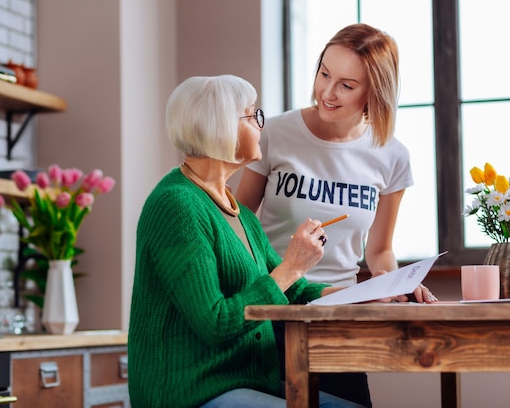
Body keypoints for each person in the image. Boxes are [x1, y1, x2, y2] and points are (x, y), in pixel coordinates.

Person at [128, 75, 367, 408]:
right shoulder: (176, 206)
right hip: (191, 392)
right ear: (221, 126)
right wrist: (292, 266)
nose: (260, 126)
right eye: (253, 115)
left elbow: (294, 290)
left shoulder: (237, 212)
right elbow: (215, 322)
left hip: (247, 381)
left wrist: (372, 296)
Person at [235, 23, 436, 407]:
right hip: (274, 311)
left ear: (373, 91)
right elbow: (238, 226)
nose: (327, 92)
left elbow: (379, 252)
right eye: (324, 73)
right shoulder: (275, 133)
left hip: (341, 317)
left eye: (346, 84)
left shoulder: (391, 155)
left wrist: (393, 284)